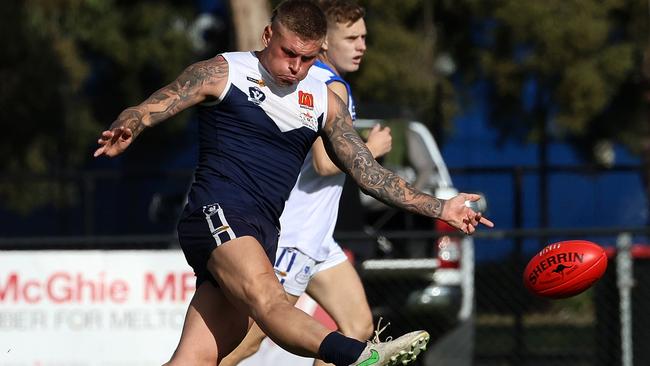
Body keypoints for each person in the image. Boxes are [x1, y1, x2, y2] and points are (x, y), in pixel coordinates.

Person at [93, 1, 493, 365]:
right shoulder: (225, 71)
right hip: (218, 213)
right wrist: (129, 124)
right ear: (268, 35)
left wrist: (441, 207)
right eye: (288, 53)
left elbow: (370, 175)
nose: (295, 68)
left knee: (195, 361)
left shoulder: (323, 101)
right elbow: (157, 102)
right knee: (271, 303)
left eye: (306, 58)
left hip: (264, 230)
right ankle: (356, 355)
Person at [220, 1, 389, 365]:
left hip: (317, 236)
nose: (361, 46)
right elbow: (325, 163)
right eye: (352, 37)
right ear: (326, 42)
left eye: (364, 37)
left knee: (357, 328)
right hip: (293, 234)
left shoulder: (320, 81)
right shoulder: (327, 86)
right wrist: (370, 149)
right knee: (249, 340)